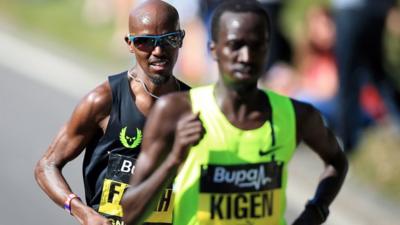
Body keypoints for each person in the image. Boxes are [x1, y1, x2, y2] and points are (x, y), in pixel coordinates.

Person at [121, 1, 348, 225]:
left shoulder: (296, 115)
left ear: (267, 48)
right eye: (235, 45)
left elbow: (337, 162)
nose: (246, 56)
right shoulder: (178, 111)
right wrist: (174, 160)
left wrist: (315, 212)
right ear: (214, 49)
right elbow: (130, 214)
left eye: (256, 45)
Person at [34, 1, 189, 225]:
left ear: (181, 39)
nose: (158, 51)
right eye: (145, 42)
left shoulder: (195, 105)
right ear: (130, 43)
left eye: (168, 39)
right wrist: (82, 211)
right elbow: (46, 166)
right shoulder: (103, 101)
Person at [333, 0, 400, 152]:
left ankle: (347, 142)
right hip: (374, 10)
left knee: (348, 79)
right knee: (377, 74)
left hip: (351, 11)